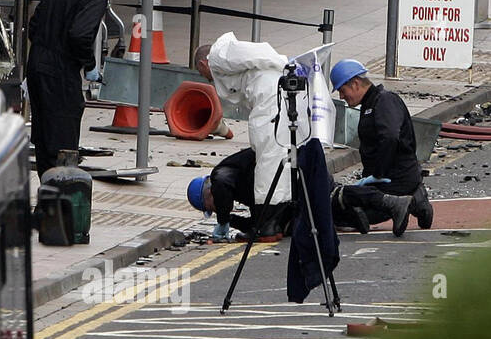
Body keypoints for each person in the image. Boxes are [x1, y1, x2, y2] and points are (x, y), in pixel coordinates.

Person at [26, 0, 133, 179]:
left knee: (43, 130)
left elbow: (34, 24)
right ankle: (61, 193)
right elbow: (80, 36)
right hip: (61, 71)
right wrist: (90, 65)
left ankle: (46, 190)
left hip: (36, 64)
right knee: (63, 132)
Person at [193, 34, 313, 216]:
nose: (210, 81)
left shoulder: (218, 56)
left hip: (268, 101)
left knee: (268, 160)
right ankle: (280, 211)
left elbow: (258, 54)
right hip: (270, 99)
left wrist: (282, 64)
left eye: (206, 77)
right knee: (275, 156)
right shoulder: (230, 63)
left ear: (203, 64)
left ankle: (267, 218)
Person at [329, 60, 433, 236]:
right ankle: (415, 200)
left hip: (393, 182)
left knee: (340, 202)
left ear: (354, 84)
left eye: (342, 90)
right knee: (346, 207)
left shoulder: (384, 101)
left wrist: (377, 174)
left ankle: (403, 200)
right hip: (391, 182)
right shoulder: (370, 104)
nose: (341, 96)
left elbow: (390, 137)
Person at [186, 147, 294, 242]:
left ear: (209, 192)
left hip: (278, 166)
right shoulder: (242, 188)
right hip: (281, 186)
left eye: (210, 207)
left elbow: (221, 183)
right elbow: (254, 223)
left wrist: (223, 219)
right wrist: (231, 220)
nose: (215, 211)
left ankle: (273, 228)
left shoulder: (220, 174)